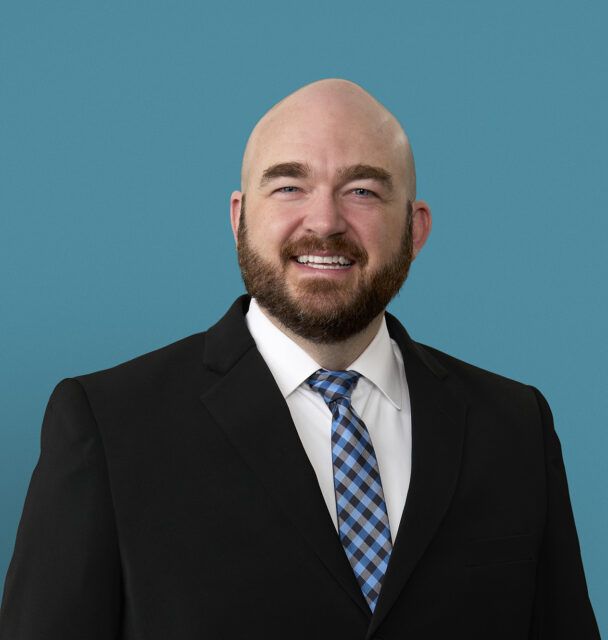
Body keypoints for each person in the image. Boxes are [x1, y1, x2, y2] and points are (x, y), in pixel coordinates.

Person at [0, 79, 600, 639]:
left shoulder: (515, 427)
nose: (325, 222)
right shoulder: (109, 426)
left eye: (362, 191)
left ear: (414, 230)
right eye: (289, 186)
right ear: (240, 218)